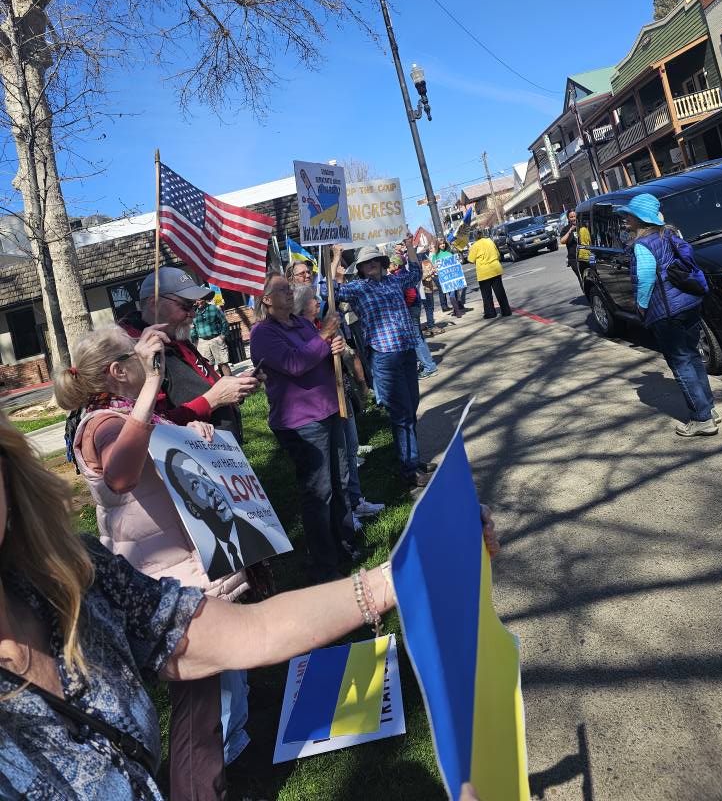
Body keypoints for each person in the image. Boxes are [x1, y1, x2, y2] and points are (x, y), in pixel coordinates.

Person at [0, 413, 413, 801]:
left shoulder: (73, 579)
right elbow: (120, 473)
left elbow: (253, 631)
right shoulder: (103, 424)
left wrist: (398, 577)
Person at [54, 324, 270, 798]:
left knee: (216, 683)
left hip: (185, 564)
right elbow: (121, 476)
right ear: (118, 371)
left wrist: (191, 431)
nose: (149, 366)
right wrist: (153, 387)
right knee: (199, 699)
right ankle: (204, 781)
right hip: (167, 579)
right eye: (138, 358)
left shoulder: (128, 413)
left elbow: (159, 444)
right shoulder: (104, 423)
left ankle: (229, 757)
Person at [249, 273, 359, 582]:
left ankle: (345, 542)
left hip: (328, 409)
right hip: (301, 422)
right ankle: (323, 564)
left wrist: (332, 345)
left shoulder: (300, 323)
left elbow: (318, 352)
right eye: (281, 289)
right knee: (318, 492)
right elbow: (295, 363)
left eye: (288, 287)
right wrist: (324, 336)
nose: (289, 291)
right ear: (266, 300)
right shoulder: (262, 333)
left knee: (340, 481)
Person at [330, 235, 433, 490]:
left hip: (407, 352)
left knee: (411, 409)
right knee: (401, 413)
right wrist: (334, 259)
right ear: (361, 269)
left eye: (374, 260)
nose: (371, 265)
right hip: (384, 357)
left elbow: (416, 272)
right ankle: (409, 470)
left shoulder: (395, 280)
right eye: (366, 263)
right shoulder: (358, 288)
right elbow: (329, 291)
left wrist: (410, 245)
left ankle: (414, 461)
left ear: (381, 262)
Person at [119, 267, 259, 444]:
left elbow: (202, 384)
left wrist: (235, 386)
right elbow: (150, 425)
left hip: (223, 456)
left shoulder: (175, 335)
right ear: (154, 304)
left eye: (193, 306)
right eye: (185, 305)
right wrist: (213, 400)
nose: (192, 313)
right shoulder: (134, 353)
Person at [619, 192, 720, 437]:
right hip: (688, 304)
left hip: (666, 310)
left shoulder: (642, 245)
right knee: (692, 357)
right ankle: (709, 408)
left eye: (628, 216)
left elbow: (644, 280)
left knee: (680, 362)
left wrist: (641, 307)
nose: (624, 220)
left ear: (640, 219)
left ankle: (702, 418)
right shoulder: (670, 234)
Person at [292, 284, 384, 529]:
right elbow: (302, 362)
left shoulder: (318, 327)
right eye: (313, 299)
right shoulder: (301, 332)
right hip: (322, 403)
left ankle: (355, 500)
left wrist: (338, 345)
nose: (318, 302)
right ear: (301, 305)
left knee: (351, 448)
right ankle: (344, 513)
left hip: (340, 392)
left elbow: (343, 356)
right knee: (336, 462)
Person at [389, 251, 438, 379]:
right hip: (412, 309)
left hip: (411, 310)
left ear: (396, 265)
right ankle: (427, 364)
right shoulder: (400, 275)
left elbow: (411, 294)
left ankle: (429, 367)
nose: (388, 265)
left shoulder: (401, 276)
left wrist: (406, 307)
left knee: (416, 339)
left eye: (390, 263)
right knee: (418, 338)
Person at [467, 235, 512, 320]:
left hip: (484, 272)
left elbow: (470, 260)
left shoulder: (475, 245)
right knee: (500, 292)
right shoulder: (490, 241)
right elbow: (498, 254)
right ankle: (506, 311)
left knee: (486, 295)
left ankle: (490, 313)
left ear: (476, 237)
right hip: (495, 269)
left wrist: (470, 250)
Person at [191, 297, 232, 375]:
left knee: (223, 364)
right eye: (196, 300)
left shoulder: (213, 308)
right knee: (206, 367)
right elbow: (193, 327)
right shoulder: (194, 312)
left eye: (200, 300)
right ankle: (214, 385)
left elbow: (224, 322)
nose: (198, 302)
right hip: (202, 342)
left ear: (204, 299)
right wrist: (195, 341)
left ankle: (232, 384)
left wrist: (222, 336)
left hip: (216, 338)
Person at [430, 237, 465, 317]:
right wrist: (435, 268)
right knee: (451, 293)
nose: (442, 245)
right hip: (444, 278)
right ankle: (457, 311)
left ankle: (456, 310)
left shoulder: (449, 253)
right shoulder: (435, 256)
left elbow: (455, 263)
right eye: (441, 244)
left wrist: (458, 263)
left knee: (454, 292)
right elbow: (433, 267)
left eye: (443, 244)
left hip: (453, 276)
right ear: (437, 245)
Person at [559, 208, 583, 289]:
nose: (573, 218)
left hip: (585, 256)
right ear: (568, 218)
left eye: (574, 216)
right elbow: (562, 241)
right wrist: (570, 231)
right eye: (571, 217)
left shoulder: (583, 225)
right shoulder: (566, 229)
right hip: (574, 258)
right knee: (581, 277)